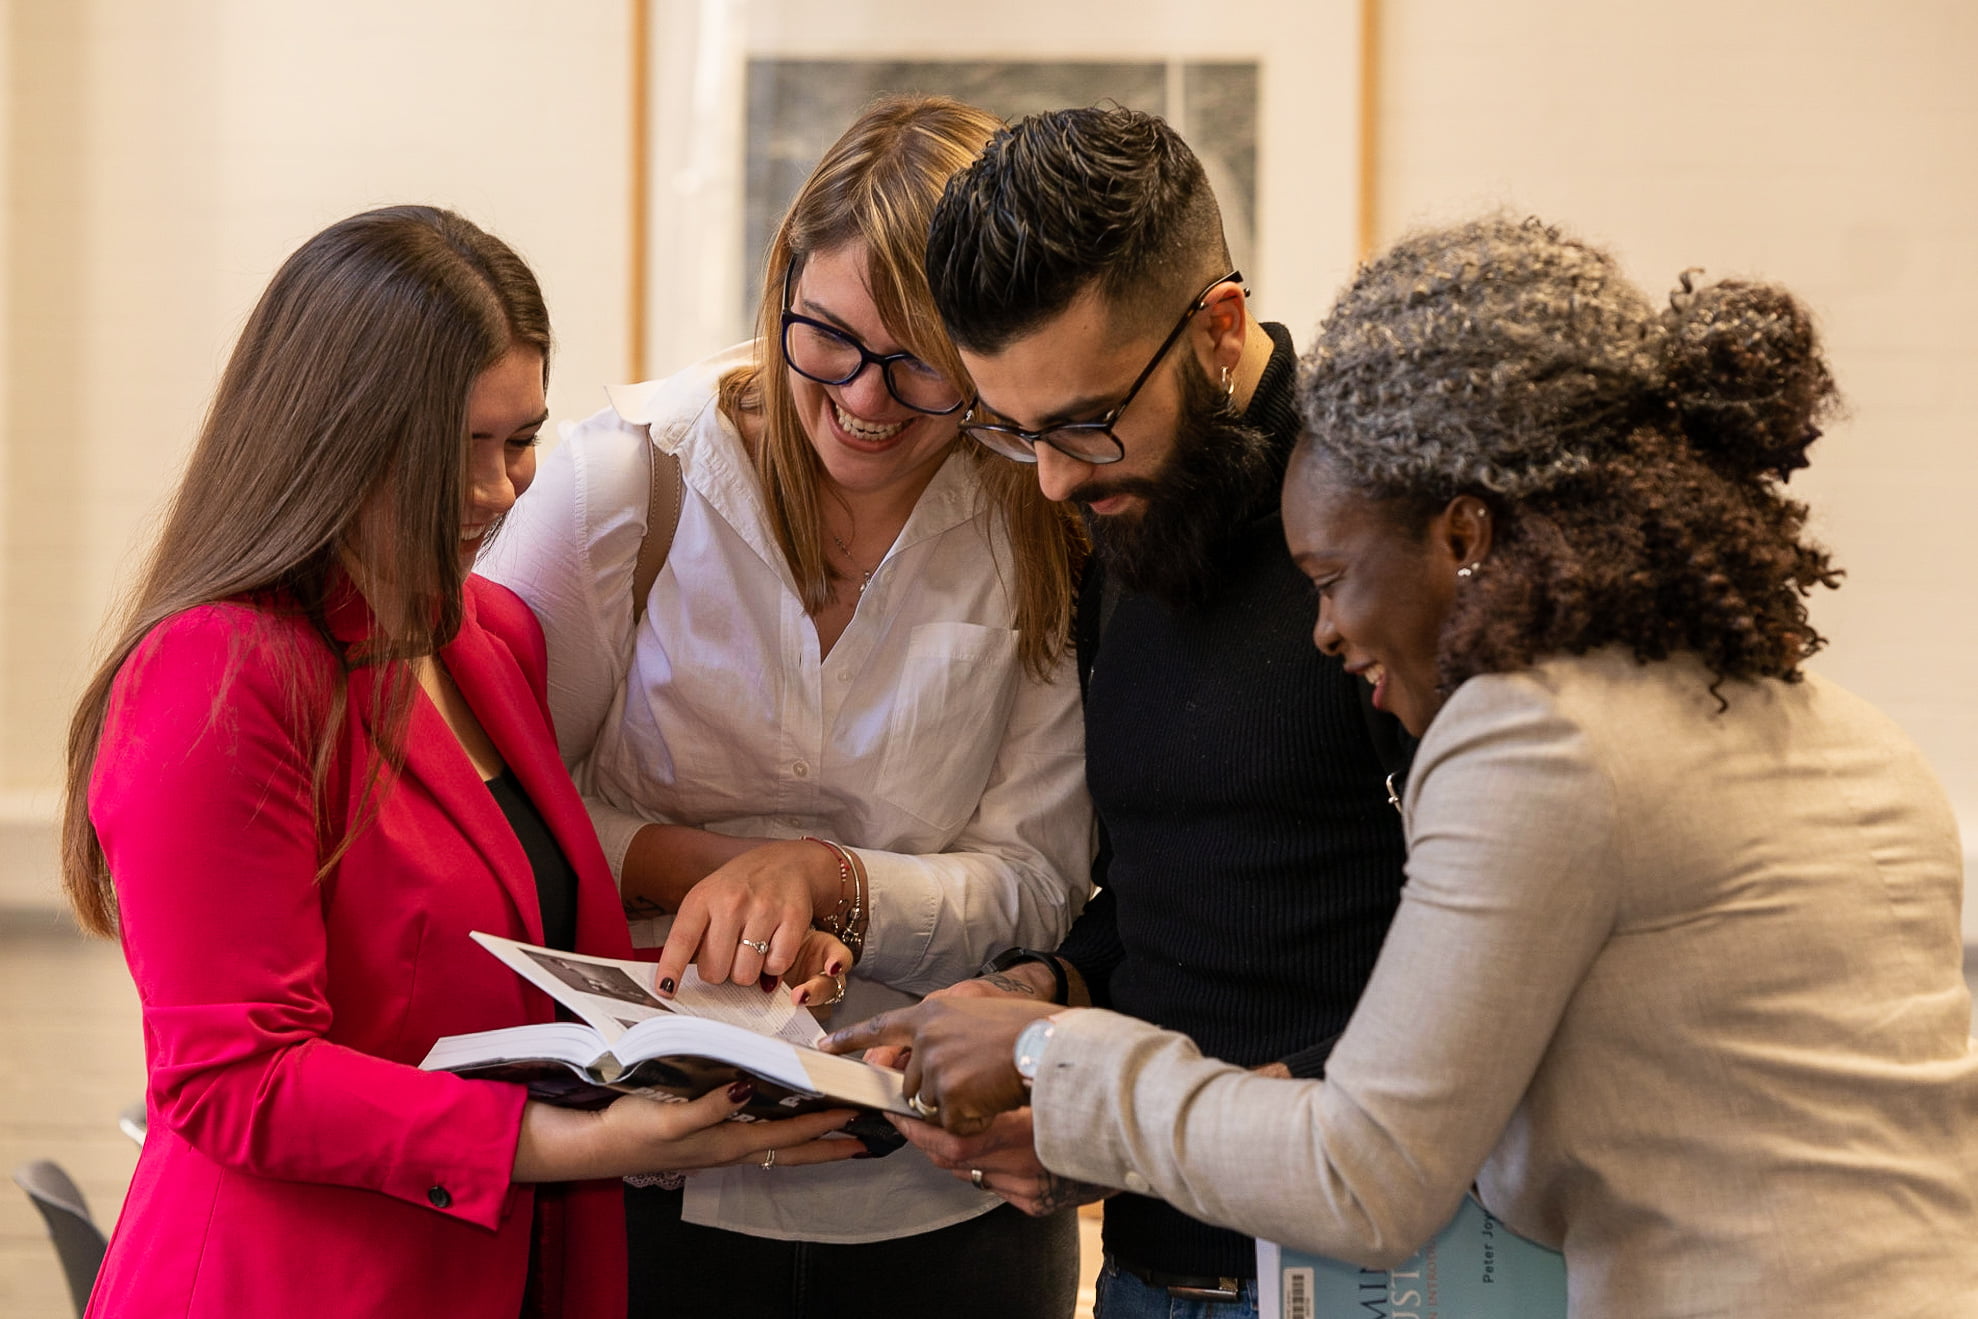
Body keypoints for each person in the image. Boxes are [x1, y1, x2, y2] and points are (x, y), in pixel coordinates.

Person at [827, 216, 1978, 1318]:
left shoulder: (1536, 741)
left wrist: (1049, 1055)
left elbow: (1365, 1173)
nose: (1323, 631)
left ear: (1464, 538)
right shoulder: (1844, 734)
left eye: (1330, 577)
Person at [59, 206, 860, 1319]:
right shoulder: (218, 670)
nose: (495, 490)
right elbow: (233, 1077)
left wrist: (721, 987)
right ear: (332, 435)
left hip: (501, 1270)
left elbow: (483, 966)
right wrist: (570, 1139)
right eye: (455, 449)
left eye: (520, 438)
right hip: (293, 1282)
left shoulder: (486, 637)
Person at [477, 96, 1092, 1318]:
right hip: (640, 1176)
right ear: (780, 290)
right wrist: (715, 869)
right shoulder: (626, 483)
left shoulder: (1043, 513)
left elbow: (1038, 874)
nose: (866, 397)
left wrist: (830, 880)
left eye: (922, 362)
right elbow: (491, 813)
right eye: (828, 338)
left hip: (939, 1191)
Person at [875, 105, 1410, 1316]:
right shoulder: (1121, 513)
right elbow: (1183, 892)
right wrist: (1050, 989)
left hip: (1373, 1265)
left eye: (1084, 421)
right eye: (1014, 432)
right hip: (1146, 1266)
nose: (1058, 478)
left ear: (1217, 327)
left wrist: (1112, 1122)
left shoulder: (1378, 534)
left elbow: (1487, 982)